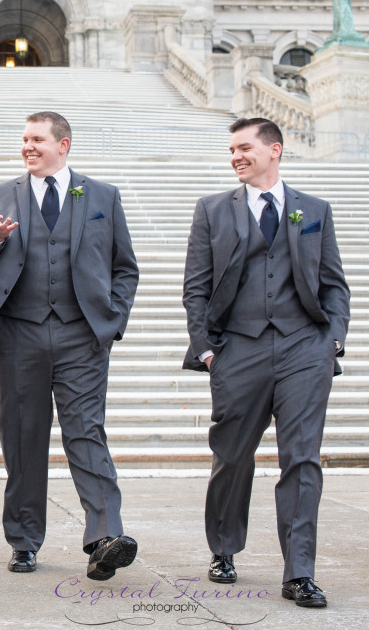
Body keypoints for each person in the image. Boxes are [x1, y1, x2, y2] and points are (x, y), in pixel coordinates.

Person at [0, 111, 139, 580]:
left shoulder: (102, 196)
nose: (28, 147)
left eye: (37, 139)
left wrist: (111, 321)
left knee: (87, 432)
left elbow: (125, 267)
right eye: (24, 139)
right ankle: (23, 541)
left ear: (64, 144)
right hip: (19, 333)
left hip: (83, 336)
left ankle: (105, 538)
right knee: (22, 438)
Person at [182, 117, 349, 608]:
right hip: (239, 347)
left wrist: (332, 341)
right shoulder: (213, 209)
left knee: (302, 460)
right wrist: (208, 348)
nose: (235, 156)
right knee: (232, 457)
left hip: (304, 348)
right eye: (231, 150)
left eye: (244, 148)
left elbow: (334, 283)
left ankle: (299, 572)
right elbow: (196, 286)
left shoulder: (313, 209)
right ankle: (224, 548)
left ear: (274, 150)